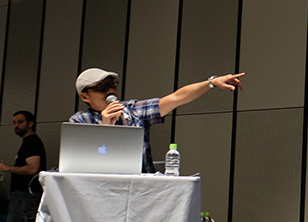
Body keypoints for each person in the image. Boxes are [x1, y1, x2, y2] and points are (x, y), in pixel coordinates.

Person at [70, 68, 245, 173]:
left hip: (141, 186)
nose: (110, 91)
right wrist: (106, 128)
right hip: (98, 191)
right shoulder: (79, 122)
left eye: (113, 84)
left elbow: (177, 98)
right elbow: (78, 166)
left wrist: (211, 82)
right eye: (101, 88)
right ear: (85, 96)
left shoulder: (133, 110)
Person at [0, 110, 47, 222]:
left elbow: (32, 169)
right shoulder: (27, 142)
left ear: (30, 124)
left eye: (20, 122)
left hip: (26, 196)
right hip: (23, 195)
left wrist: (7, 168)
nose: (16, 126)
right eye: (14, 123)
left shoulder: (32, 142)